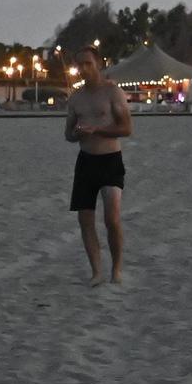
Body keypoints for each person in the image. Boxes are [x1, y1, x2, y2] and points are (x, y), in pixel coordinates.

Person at [64, 45, 133, 286]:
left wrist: (98, 130)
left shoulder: (112, 92)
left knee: (111, 218)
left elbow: (126, 128)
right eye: (79, 65)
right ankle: (96, 271)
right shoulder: (76, 98)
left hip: (110, 161)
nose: (83, 69)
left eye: (88, 64)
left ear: (98, 64)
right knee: (85, 219)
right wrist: (79, 133)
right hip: (86, 162)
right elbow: (68, 135)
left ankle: (116, 269)